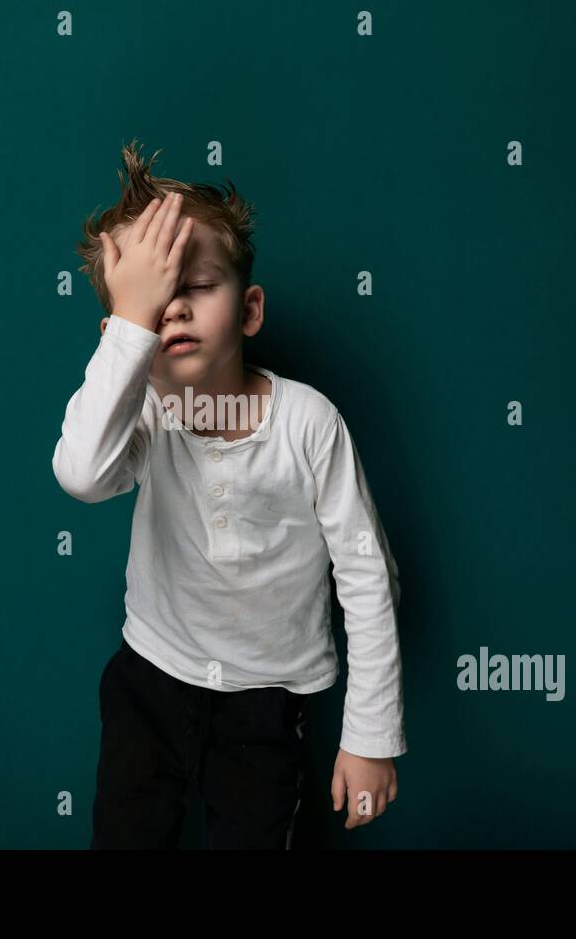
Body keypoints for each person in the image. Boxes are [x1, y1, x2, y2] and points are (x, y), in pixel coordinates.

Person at [54, 139, 406, 848]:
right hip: (149, 677)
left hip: (267, 698)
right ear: (118, 333)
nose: (171, 312)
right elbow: (82, 475)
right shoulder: (143, 414)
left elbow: (368, 576)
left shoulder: (309, 422)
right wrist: (129, 333)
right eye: (151, 302)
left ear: (248, 311)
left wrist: (371, 735)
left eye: (193, 288)